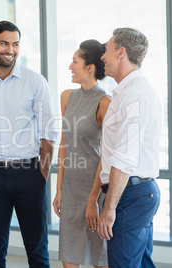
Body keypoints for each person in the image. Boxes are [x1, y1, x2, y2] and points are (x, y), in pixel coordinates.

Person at [0, 20, 57, 268]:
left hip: (29, 173)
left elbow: (48, 134)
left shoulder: (35, 81)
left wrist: (41, 177)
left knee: (37, 250)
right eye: (4, 43)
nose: (10, 50)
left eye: (15, 44)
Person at [97, 28, 161, 268]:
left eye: (107, 49)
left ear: (121, 52)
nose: (103, 56)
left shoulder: (133, 95)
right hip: (137, 191)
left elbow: (124, 158)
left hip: (129, 194)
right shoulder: (132, 91)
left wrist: (109, 208)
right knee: (141, 263)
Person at [52, 39, 111, 268]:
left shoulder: (104, 103)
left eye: (74, 61)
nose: (70, 66)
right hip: (70, 189)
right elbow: (64, 144)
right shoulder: (67, 96)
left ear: (90, 67)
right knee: (69, 258)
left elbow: (105, 156)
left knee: (99, 259)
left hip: (94, 191)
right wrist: (59, 189)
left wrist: (93, 199)